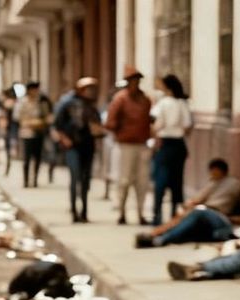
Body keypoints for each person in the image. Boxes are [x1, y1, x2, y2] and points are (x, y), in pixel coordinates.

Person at [135, 156, 240, 247]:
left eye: (213, 172)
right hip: (205, 216)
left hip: (219, 217)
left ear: (219, 170)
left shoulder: (237, 184)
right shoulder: (212, 184)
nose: (211, 175)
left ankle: (160, 238)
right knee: (188, 221)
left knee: (196, 212)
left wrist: (232, 219)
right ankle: (157, 236)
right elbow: (193, 202)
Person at [53, 76, 105, 223]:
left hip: (88, 146)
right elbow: (57, 125)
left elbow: (97, 126)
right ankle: (74, 211)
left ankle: (84, 211)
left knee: (85, 180)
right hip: (73, 146)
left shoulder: (92, 107)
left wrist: (98, 131)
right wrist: (65, 139)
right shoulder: (68, 104)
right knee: (75, 178)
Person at [103, 66, 151, 226]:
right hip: (125, 145)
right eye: (133, 80)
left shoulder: (145, 100)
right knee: (124, 180)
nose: (136, 84)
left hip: (141, 144)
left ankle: (140, 212)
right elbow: (110, 122)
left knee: (142, 181)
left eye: (137, 80)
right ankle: (122, 212)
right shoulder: (120, 99)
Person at [149, 72, 192, 225]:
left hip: (165, 144)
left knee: (160, 180)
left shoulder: (163, 103)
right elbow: (187, 126)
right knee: (176, 180)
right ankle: (174, 213)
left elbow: (155, 123)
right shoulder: (182, 103)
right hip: (179, 145)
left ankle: (157, 215)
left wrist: (156, 135)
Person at [17, 80, 51, 185]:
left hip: (39, 131)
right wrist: (30, 123)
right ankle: (26, 180)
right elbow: (18, 117)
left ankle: (35, 179)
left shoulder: (41, 102)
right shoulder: (23, 102)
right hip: (27, 132)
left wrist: (42, 122)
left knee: (37, 157)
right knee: (27, 158)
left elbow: (47, 116)